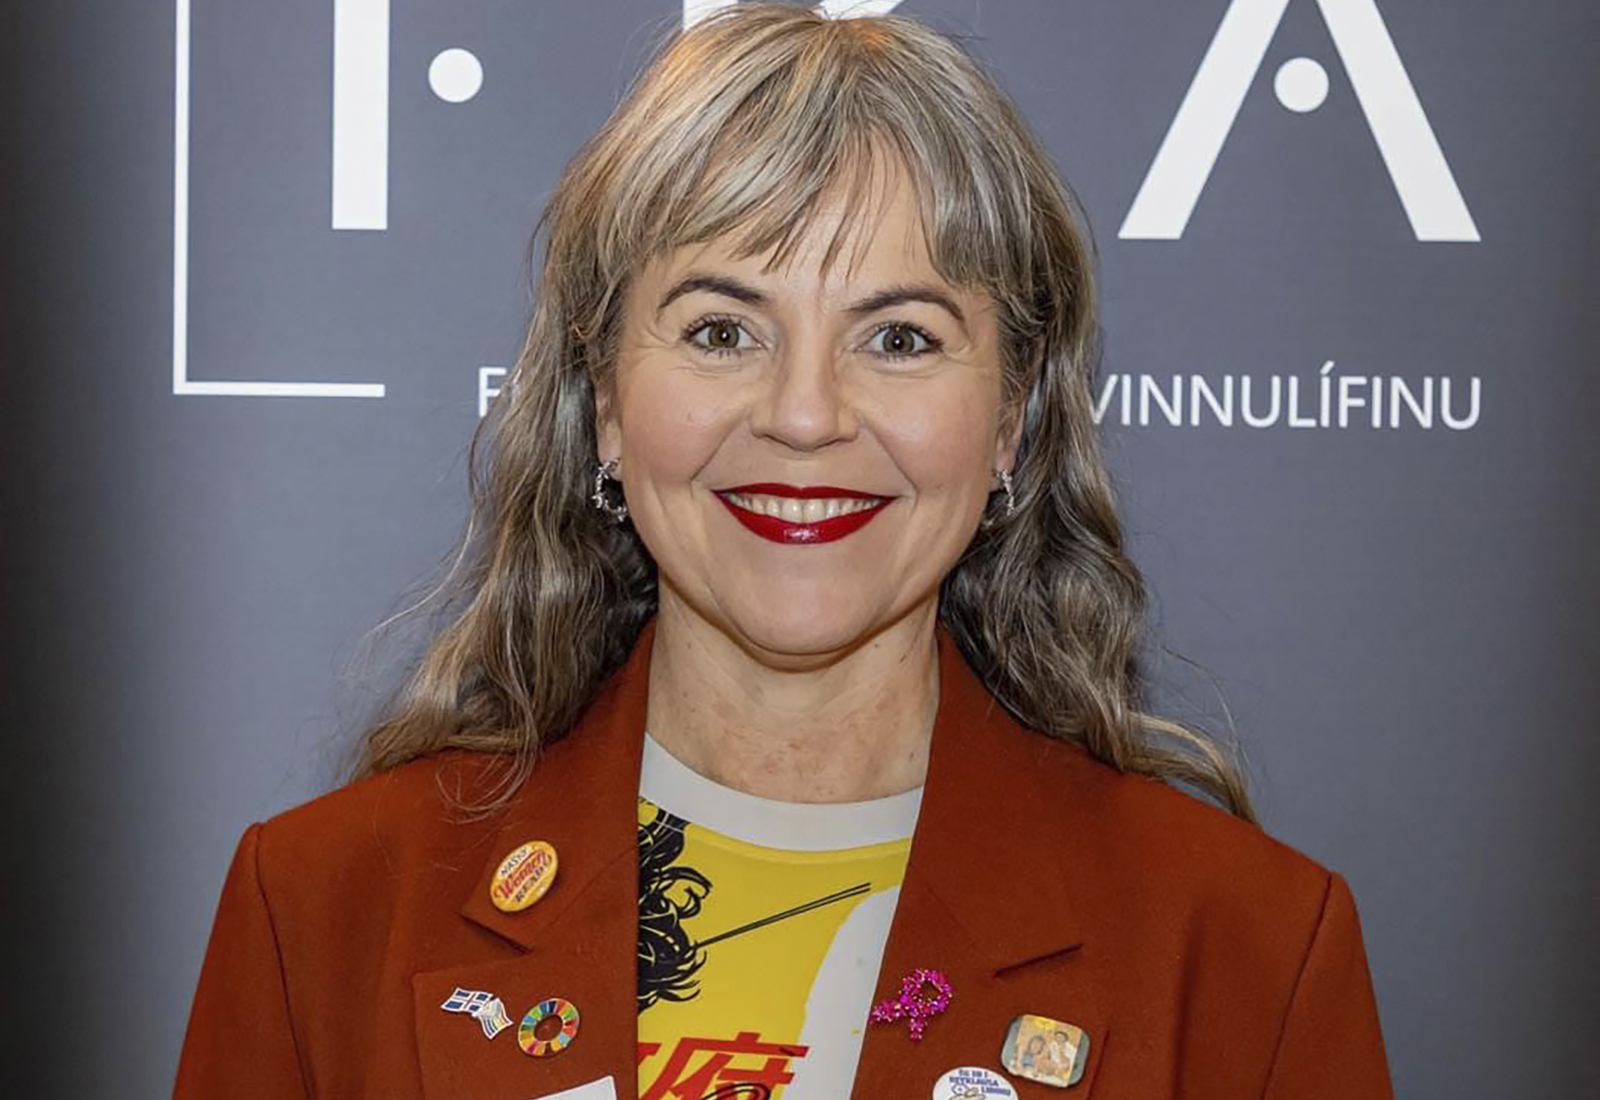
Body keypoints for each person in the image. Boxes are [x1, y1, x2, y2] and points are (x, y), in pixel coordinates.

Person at [171, 5, 1394, 1099]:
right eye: (721, 329)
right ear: (605, 401)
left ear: (1012, 417)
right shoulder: (326, 909)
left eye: (899, 337)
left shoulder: (1243, 951)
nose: (805, 415)